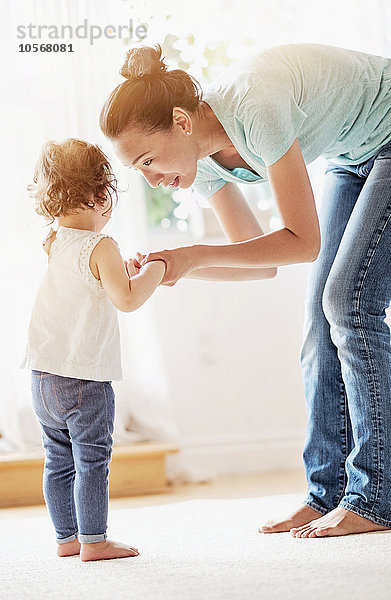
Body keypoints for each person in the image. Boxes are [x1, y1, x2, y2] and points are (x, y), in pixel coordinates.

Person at [99, 42, 391, 538]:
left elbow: (301, 242)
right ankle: (325, 495)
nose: (152, 179)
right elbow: (260, 263)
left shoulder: (255, 105)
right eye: (139, 171)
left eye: (149, 160)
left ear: (182, 121)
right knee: (320, 317)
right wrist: (174, 266)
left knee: (347, 302)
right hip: (352, 153)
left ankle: (377, 494)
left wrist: (193, 254)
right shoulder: (202, 162)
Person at [20, 138, 166, 561]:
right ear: (103, 194)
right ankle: (95, 542)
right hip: (84, 378)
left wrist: (122, 272)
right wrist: (155, 269)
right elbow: (127, 299)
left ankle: (66, 539)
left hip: (42, 375)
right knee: (91, 462)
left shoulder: (54, 241)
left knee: (57, 460)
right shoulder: (103, 245)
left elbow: (85, 281)